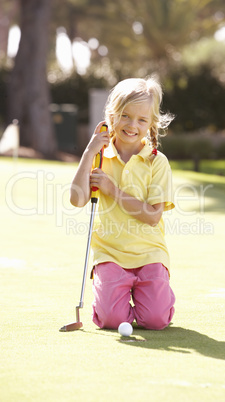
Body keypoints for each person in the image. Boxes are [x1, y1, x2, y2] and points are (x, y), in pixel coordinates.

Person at [70, 77, 176, 330]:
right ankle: (116, 303)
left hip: (149, 254)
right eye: (125, 116)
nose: (132, 125)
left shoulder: (156, 162)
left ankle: (150, 301)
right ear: (111, 116)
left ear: (152, 123)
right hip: (110, 254)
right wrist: (89, 152)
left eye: (142, 119)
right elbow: (77, 200)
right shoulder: (99, 157)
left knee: (156, 320)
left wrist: (112, 190)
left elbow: (152, 216)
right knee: (111, 320)